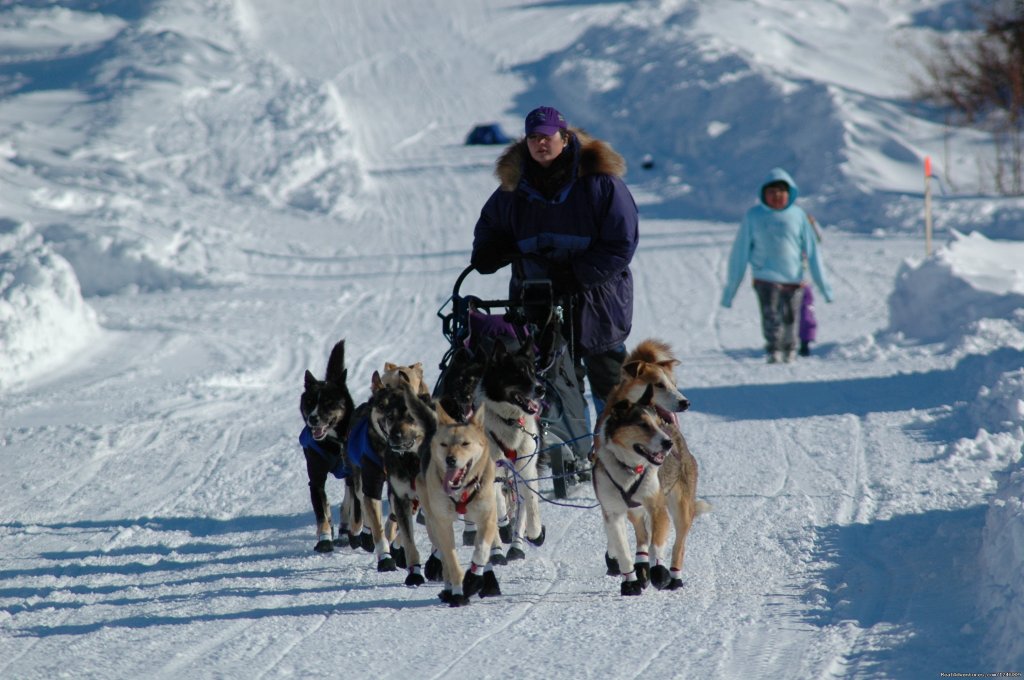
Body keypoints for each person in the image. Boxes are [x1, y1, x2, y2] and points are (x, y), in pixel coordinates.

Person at [471, 105, 639, 416]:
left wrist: (577, 275)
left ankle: (616, 456)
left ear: (564, 137)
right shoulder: (512, 189)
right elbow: (489, 226)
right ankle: (569, 458)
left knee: (613, 392)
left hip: (596, 302)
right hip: (538, 304)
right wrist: (489, 250)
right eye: (533, 137)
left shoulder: (601, 184)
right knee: (554, 388)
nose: (540, 144)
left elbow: (621, 243)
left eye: (547, 136)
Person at [721, 167, 834, 363]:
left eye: (781, 192)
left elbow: (813, 251)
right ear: (764, 194)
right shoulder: (754, 216)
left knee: (791, 317)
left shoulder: (798, 216)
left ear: (789, 194)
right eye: (771, 192)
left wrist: (824, 286)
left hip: (794, 278)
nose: (776, 196)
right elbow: (739, 253)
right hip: (765, 277)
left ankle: (790, 349)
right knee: (771, 315)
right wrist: (730, 291)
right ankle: (774, 349)